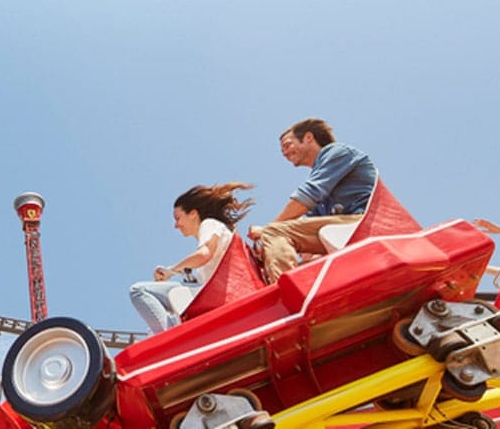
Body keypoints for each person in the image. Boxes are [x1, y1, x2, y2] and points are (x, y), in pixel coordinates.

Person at [248, 118, 378, 283]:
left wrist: (267, 230)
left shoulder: (337, 152)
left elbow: (307, 196)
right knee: (301, 262)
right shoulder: (323, 187)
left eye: (287, 145)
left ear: (308, 137)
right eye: (282, 151)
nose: (285, 153)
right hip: (343, 228)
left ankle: (285, 297)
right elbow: (302, 226)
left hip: (363, 223)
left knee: (274, 232)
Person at [129, 182, 253, 334]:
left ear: (193, 213)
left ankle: (169, 340)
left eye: (178, 218)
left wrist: (171, 271)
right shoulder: (219, 232)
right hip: (220, 297)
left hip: (217, 298)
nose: (176, 225)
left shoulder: (209, 224)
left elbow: (203, 254)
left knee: (139, 290)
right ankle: (169, 334)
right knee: (152, 329)